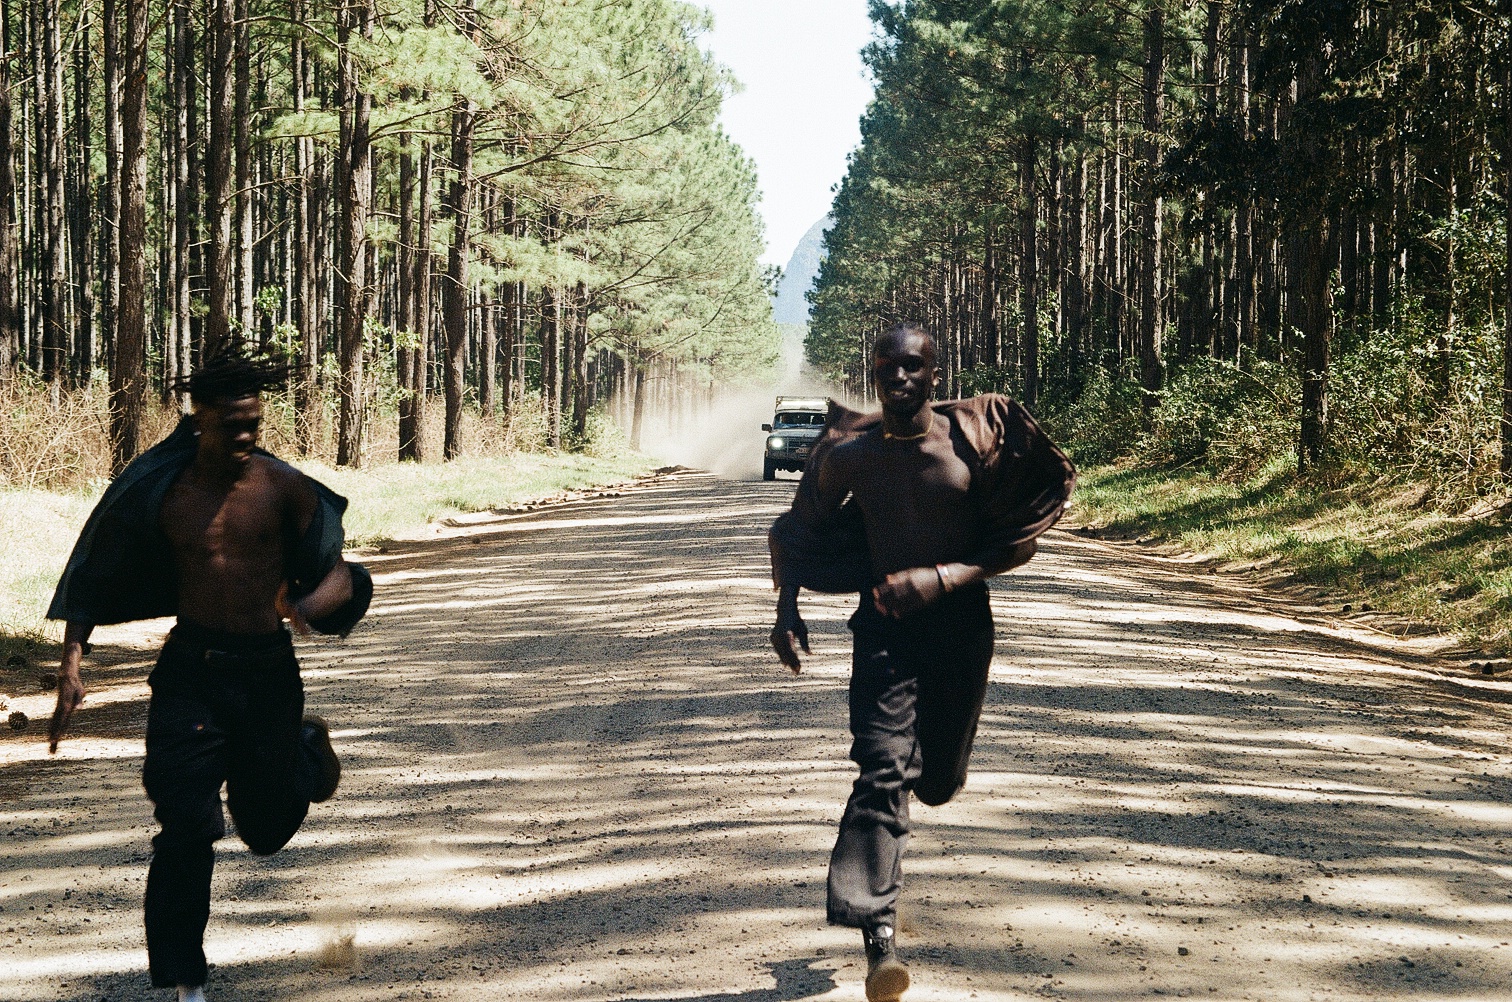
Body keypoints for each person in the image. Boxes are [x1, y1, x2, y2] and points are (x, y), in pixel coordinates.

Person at [46, 346, 373, 1002]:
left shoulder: (282, 489)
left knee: (267, 829)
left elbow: (343, 570)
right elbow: (95, 572)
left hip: (266, 678)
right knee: (187, 824)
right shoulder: (161, 493)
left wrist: (310, 604)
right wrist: (71, 668)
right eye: (233, 425)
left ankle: (305, 753)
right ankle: (185, 982)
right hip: (190, 674)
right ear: (198, 418)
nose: (247, 436)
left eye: (255, 422)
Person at [767, 322, 1075, 1002]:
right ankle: (878, 939)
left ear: (935, 373)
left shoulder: (970, 442)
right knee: (880, 769)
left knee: (935, 782)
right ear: (873, 374)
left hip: (960, 629)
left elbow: (1016, 543)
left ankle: (923, 797)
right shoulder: (852, 455)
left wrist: (941, 578)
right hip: (883, 631)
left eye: (914, 366)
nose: (900, 377)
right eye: (888, 367)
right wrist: (785, 610)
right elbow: (799, 527)